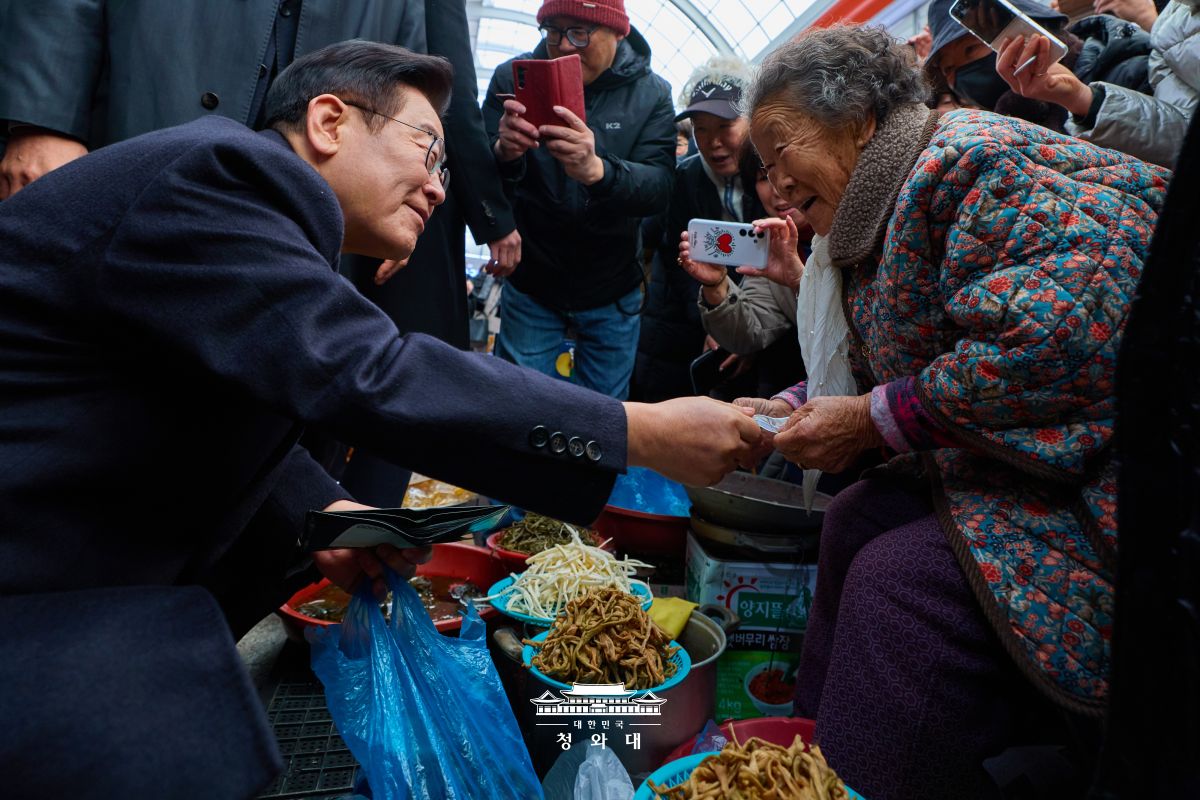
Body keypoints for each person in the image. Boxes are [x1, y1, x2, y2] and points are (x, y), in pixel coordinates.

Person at [0, 41, 762, 798]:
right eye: (427, 149)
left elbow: (202, 396)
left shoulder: (244, 212)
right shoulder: (229, 175)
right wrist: (639, 432)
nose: (437, 191)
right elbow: (372, 370)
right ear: (329, 121)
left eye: (444, 170)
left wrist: (325, 512)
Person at [741, 25, 1168, 798]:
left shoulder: (972, 161)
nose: (773, 187)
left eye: (780, 152)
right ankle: (790, 773)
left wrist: (872, 420)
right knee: (853, 518)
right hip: (1012, 456)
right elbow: (895, 362)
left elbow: (1055, 339)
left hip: (1113, 476)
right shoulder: (880, 206)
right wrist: (794, 406)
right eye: (763, 169)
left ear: (861, 120)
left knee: (899, 584)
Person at [0, 0, 521, 506]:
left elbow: (406, 70)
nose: (437, 189)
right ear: (328, 121)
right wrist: (42, 116)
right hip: (160, 90)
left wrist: (400, 194)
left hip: (336, 165)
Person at [483, 0, 676, 400]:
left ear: (618, 32)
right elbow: (478, 170)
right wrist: (503, 152)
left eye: (581, 32)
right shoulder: (511, 78)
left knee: (603, 416)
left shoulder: (652, 93)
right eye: (554, 30)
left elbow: (658, 188)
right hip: (533, 281)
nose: (566, 47)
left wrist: (598, 171)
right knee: (520, 404)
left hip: (612, 288)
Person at [635, 57, 768, 401]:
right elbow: (677, 260)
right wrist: (712, 323)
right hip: (681, 328)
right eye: (701, 128)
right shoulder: (682, 180)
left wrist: (745, 332)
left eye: (725, 126)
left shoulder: (773, 176)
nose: (713, 142)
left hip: (762, 327)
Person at [994, 0, 1198, 167]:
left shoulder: (1156, 37)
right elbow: (1181, 138)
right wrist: (1082, 98)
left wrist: (1146, 18)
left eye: (972, 50)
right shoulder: (1169, 29)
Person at [924, 0, 1152, 132]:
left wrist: (1085, 101)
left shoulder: (1123, 68)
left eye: (970, 49)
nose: (962, 72)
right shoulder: (990, 136)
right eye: (948, 69)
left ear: (1029, 27)